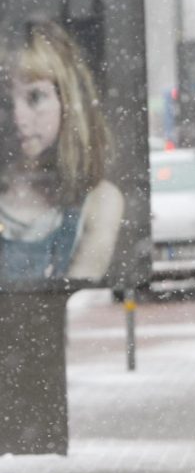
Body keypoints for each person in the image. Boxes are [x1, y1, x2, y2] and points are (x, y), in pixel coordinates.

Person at [0, 19, 123, 285]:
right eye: (4, 101)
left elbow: (65, 307)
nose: (18, 117)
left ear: (67, 100)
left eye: (35, 98)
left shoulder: (99, 202)